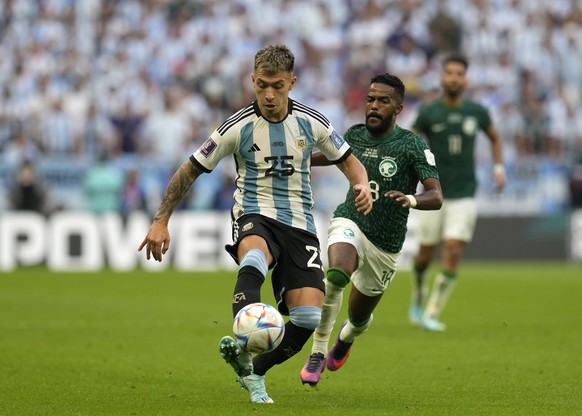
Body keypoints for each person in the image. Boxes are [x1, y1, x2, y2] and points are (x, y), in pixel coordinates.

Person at [138, 44, 373, 404]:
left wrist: (361, 185)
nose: (268, 94)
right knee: (254, 259)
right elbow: (190, 169)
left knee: (309, 317)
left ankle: (255, 372)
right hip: (254, 214)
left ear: (291, 83)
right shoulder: (237, 126)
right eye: (261, 84)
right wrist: (160, 220)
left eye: (277, 85)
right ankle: (244, 346)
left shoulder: (313, 122)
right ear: (252, 80)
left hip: (300, 224)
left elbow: (351, 163)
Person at [299, 73, 442, 386]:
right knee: (336, 274)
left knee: (359, 318)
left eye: (383, 101)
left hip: (386, 244)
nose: (374, 106)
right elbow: (334, 156)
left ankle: (347, 338)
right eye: (370, 99)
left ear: (398, 109)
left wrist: (411, 199)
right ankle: (318, 353)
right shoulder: (355, 134)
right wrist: (301, 160)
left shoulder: (412, 145)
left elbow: (436, 196)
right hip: (351, 218)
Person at [408, 54, 506, 332]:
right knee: (425, 254)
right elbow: (410, 142)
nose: (453, 78)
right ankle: (418, 293)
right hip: (432, 193)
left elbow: (495, 138)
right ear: (442, 78)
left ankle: (432, 312)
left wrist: (499, 168)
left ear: (465, 79)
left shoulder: (477, 111)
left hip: (464, 193)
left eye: (458, 73)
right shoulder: (429, 112)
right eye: (449, 73)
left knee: (452, 248)